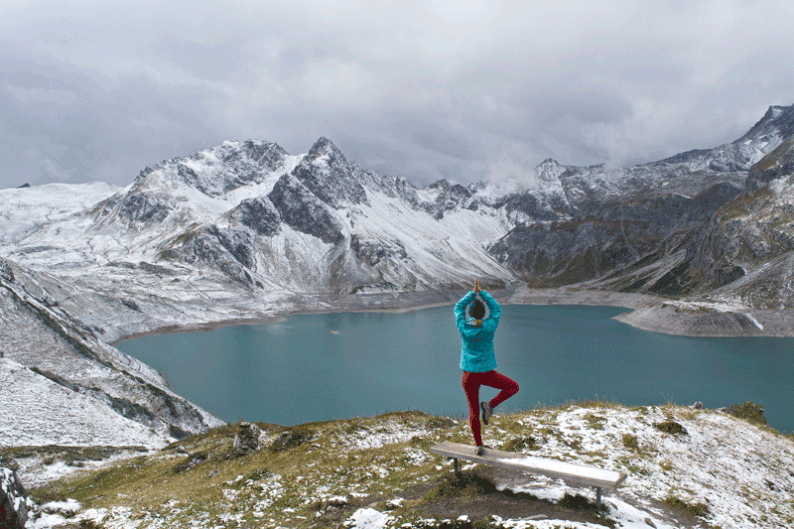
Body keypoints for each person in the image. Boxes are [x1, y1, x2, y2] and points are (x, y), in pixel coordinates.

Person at [454, 278, 519, 455]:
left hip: (468, 376)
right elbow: (496, 308)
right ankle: (490, 406)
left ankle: (479, 445)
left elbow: (458, 308)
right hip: (486, 373)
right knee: (513, 387)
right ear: (484, 314)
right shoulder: (489, 327)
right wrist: (482, 293)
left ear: (470, 313)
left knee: (473, 411)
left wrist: (472, 294)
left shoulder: (463, 327)